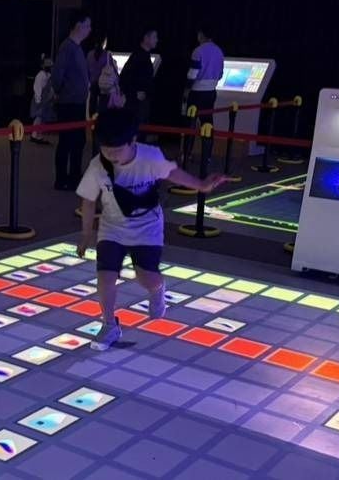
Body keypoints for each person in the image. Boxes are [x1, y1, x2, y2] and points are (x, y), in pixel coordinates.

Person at [76, 109, 229, 350]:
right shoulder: (97, 166)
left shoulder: (150, 157)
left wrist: (201, 185)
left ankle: (157, 289)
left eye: (117, 150)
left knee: (145, 277)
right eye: (106, 150)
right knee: (105, 278)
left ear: (133, 141)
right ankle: (109, 324)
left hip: (147, 227)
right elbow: (87, 200)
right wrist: (86, 234)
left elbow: (172, 173)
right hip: (112, 228)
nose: (111, 155)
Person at [51, 10, 91, 190]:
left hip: (77, 103)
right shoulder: (67, 47)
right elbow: (57, 75)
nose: (89, 29)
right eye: (87, 25)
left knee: (78, 142)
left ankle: (74, 176)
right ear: (78, 26)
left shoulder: (77, 48)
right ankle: (61, 179)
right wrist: (61, 92)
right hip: (69, 104)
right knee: (67, 142)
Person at [120, 28, 158, 131]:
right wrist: (134, 93)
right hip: (136, 104)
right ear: (146, 38)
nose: (156, 40)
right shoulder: (138, 56)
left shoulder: (143, 56)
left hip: (141, 103)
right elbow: (124, 78)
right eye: (154, 37)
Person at [185, 26, 224, 126]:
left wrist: (187, 89)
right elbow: (220, 74)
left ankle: (189, 137)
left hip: (197, 92)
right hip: (211, 92)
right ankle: (208, 136)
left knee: (191, 121)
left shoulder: (198, 51)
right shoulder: (219, 51)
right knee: (207, 121)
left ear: (201, 35)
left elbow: (192, 74)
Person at [30, 56, 53, 145]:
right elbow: (37, 88)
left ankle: (39, 135)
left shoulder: (48, 75)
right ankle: (34, 135)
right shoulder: (40, 75)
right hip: (40, 99)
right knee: (39, 117)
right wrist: (38, 100)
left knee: (43, 118)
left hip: (46, 99)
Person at [87, 35, 108, 117]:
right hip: (103, 84)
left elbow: (87, 69)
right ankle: (101, 119)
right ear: (103, 43)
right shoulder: (106, 55)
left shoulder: (90, 54)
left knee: (92, 102)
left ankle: (91, 119)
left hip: (92, 82)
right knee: (103, 104)